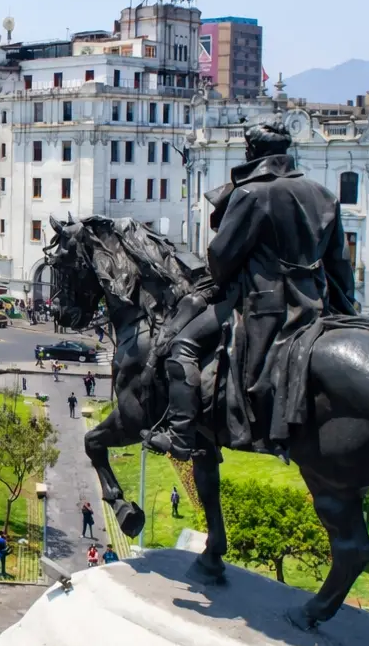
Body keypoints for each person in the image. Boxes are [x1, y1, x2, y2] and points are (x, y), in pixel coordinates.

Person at [144, 119, 356, 461]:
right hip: (315, 301)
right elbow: (340, 263)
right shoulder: (323, 193)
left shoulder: (251, 193)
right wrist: (345, 306)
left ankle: (181, 435)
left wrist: (220, 281)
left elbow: (220, 256)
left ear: (253, 152)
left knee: (182, 345)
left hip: (260, 301)